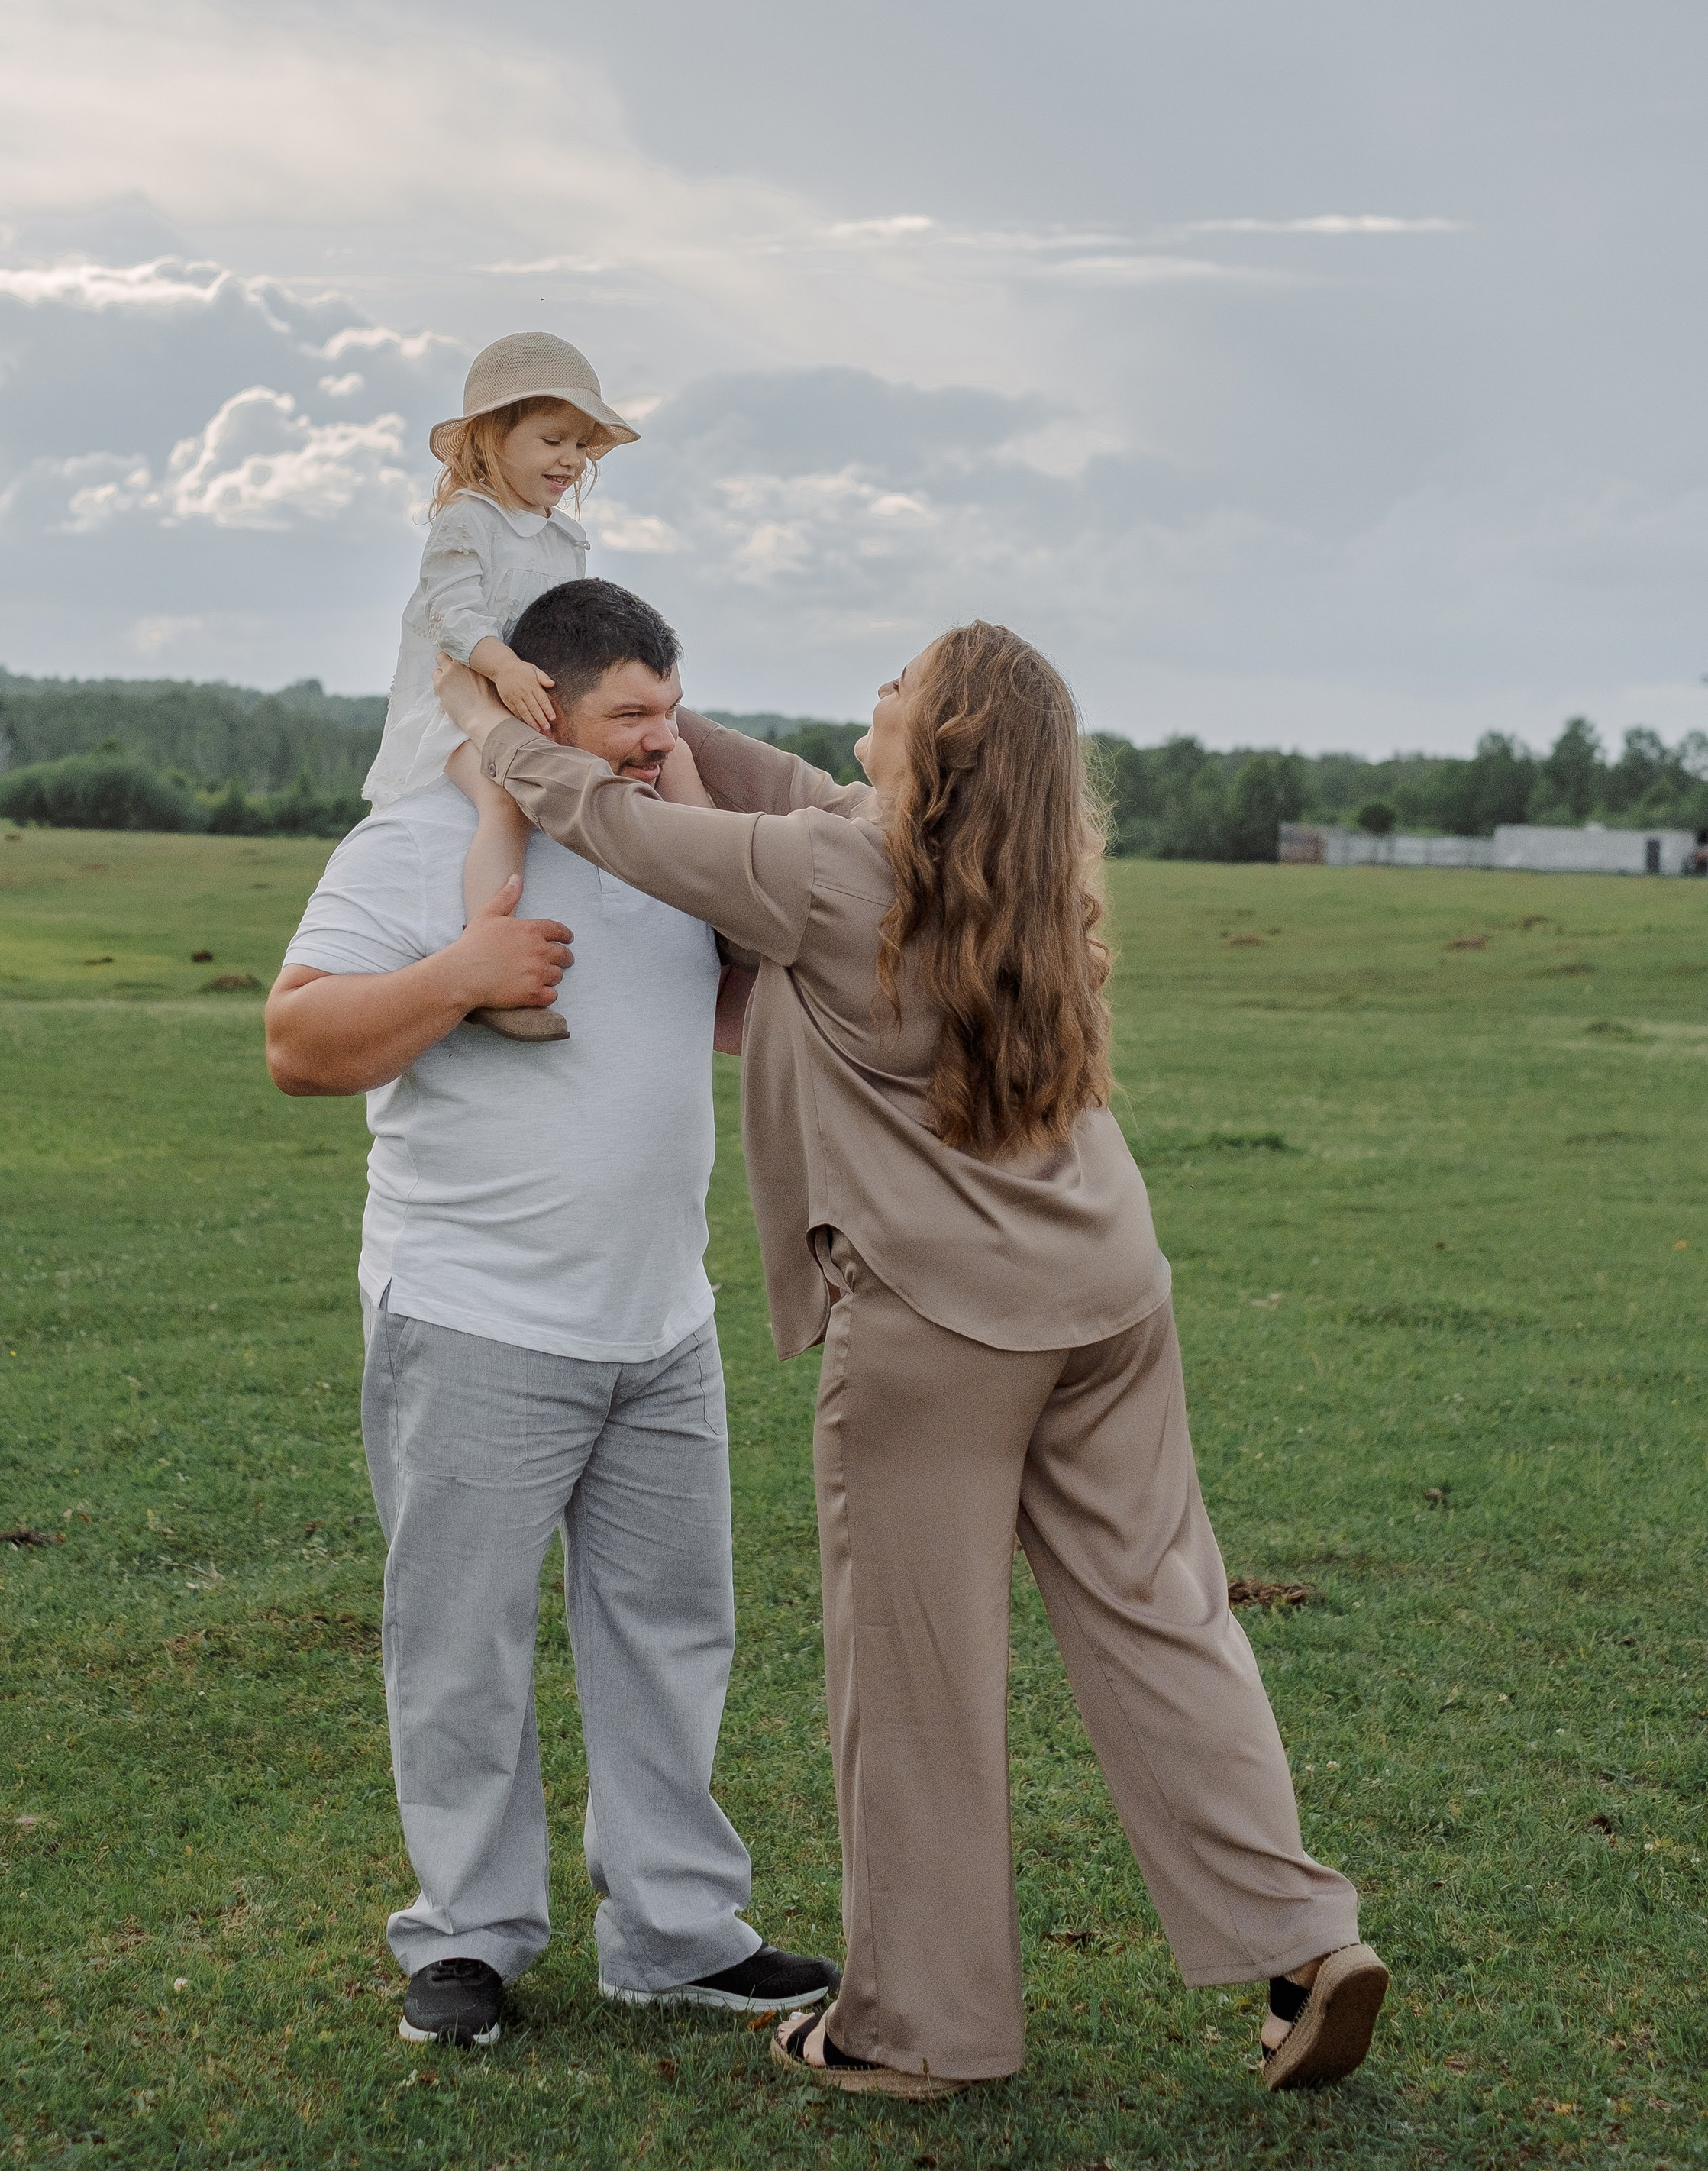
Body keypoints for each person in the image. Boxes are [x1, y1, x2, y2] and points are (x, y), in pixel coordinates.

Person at [437, 621, 1390, 2102]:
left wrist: (484, 727)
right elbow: (758, 782)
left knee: (917, 1672)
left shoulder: (835, 873)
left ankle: (913, 2026)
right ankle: (1300, 1937)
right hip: (1108, 1294)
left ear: (936, 742)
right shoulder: (1010, 871)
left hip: (941, 1330)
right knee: (1166, 1621)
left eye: (903, 684)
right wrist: (639, 721)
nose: (873, 694)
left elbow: (611, 820)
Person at [266, 578, 835, 2056]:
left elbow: (738, 1015)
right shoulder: (420, 845)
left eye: (671, 708)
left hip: (663, 1324)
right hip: (476, 1321)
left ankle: (677, 1934)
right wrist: (460, 975)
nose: (662, 740)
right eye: (632, 716)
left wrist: (719, 840)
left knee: (672, 1633)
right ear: (543, 709)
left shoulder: (658, 845)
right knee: (460, 1646)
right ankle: (465, 1940)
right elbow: (296, 1039)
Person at [361, 331, 641, 1040]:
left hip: (536, 703)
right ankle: (484, 966)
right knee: (505, 800)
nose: (571, 461)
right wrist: (505, 668)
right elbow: (453, 614)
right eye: (553, 440)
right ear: (493, 437)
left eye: (580, 445)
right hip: (463, 708)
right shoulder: (469, 522)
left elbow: (577, 627)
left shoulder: (563, 539)